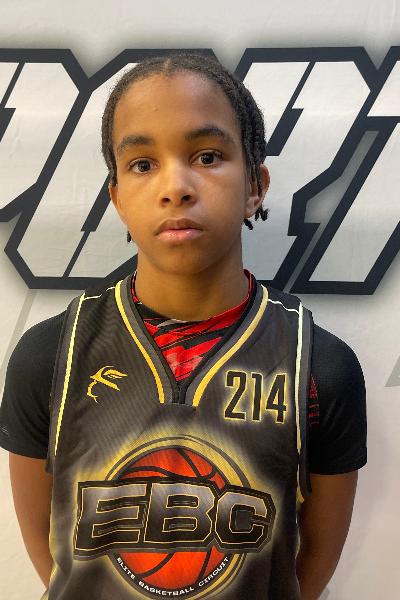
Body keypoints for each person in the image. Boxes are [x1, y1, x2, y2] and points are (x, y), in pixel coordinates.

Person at [0, 53, 366, 600]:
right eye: (142, 164)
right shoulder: (50, 356)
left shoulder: (319, 368)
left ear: (255, 185)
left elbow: (310, 563)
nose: (175, 187)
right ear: (117, 198)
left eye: (208, 156)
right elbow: (52, 554)